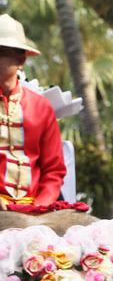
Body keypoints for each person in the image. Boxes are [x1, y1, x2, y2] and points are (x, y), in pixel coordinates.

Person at [0, 14, 66, 210]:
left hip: (35, 209)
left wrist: (40, 207)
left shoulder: (42, 107)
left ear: (21, 59)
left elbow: (54, 171)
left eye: (1, 52)